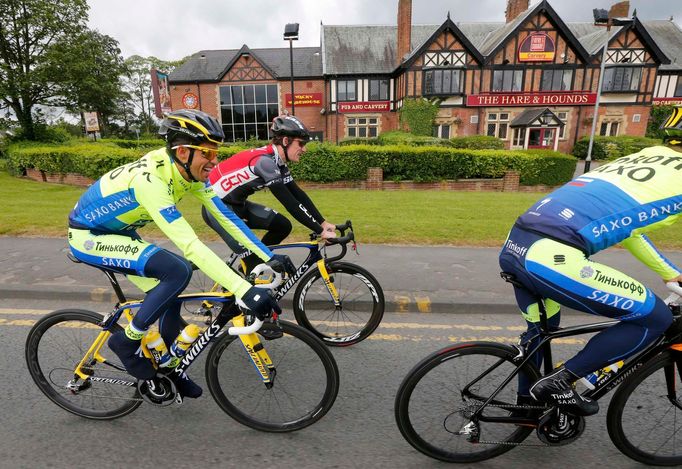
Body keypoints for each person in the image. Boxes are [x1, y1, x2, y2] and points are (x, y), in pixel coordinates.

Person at [68, 109, 294, 398]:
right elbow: (190, 243)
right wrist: (244, 290)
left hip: (120, 233)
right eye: (208, 154)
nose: (215, 162)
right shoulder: (150, 181)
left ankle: (169, 369)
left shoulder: (188, 173)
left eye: (216, 153)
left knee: (169, 295)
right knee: (177, 270)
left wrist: (265, 254)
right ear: (184, 151)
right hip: (89, 236)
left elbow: (226, 217)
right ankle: (127, 341)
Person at [499, 108, 682, 417]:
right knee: (656, 318)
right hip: (551, 256)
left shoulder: (647, 156)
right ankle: (560, 382)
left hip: (516, 244)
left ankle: (526, 409)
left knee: (542, 330)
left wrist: (670, 273)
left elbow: (629, 231)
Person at [202, 115, 337, 274]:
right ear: (286, 141)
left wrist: (322, 223)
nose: (304, 149)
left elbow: (298, 195)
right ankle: (232, 288)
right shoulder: (265, 162)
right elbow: (290, 203)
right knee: (252, 258)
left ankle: (252, 268)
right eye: (301, 144)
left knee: (282, 226)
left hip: (237, 205)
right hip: (217, 210)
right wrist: (320, 231)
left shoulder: (277, 162)